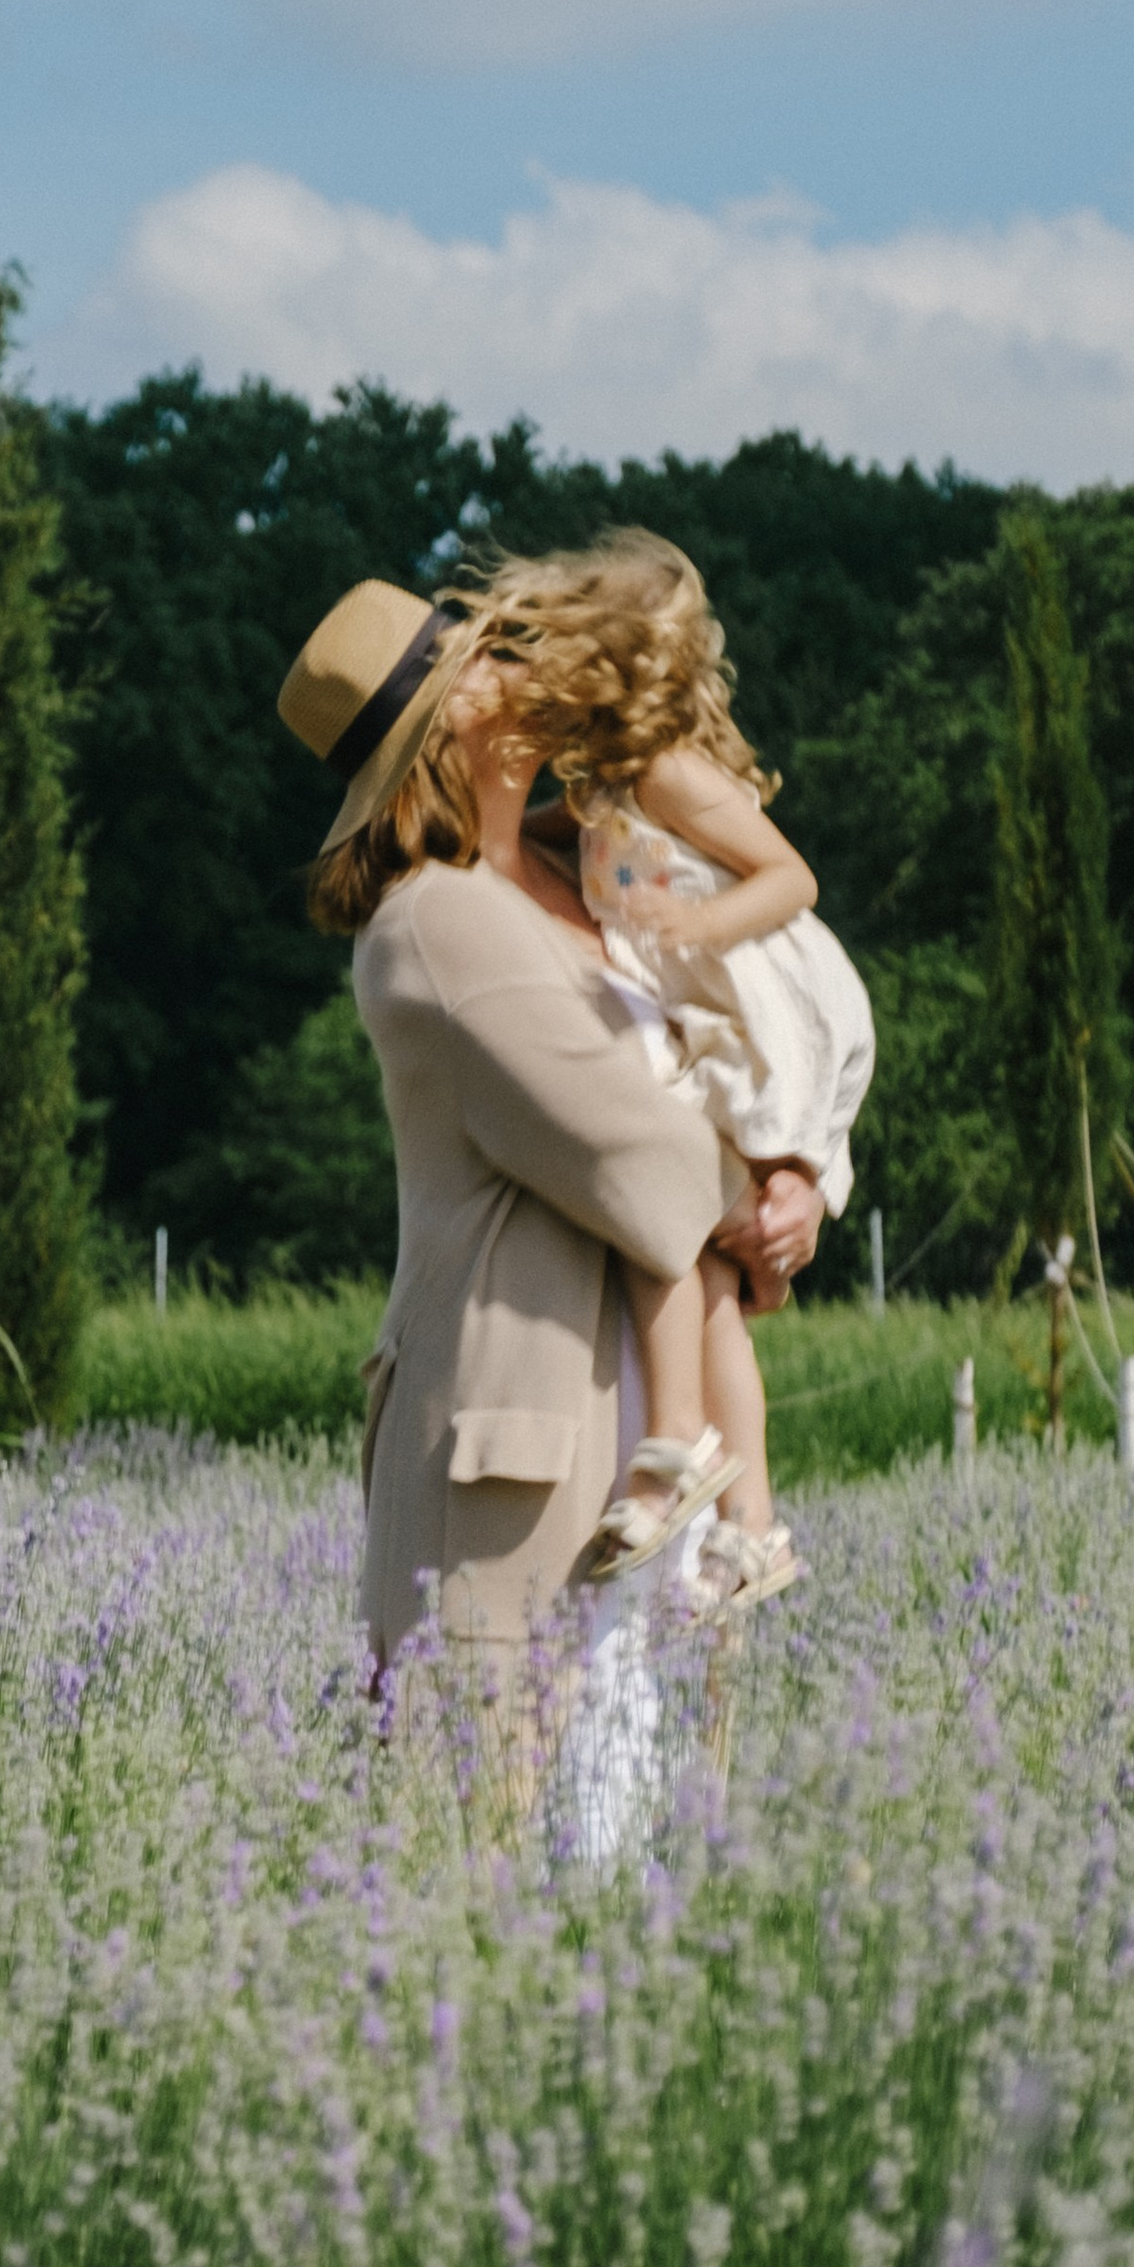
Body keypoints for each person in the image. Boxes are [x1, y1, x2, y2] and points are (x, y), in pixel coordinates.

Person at [275, 577, 823, 1696]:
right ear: (438, 741)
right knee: (507, 1840)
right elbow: (632, 1147)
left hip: (660, 1472)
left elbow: (761, 1011)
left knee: (659, 1852)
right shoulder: (433, 920)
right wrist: (752, 1209)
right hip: (529, 1470)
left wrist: (801, 1176)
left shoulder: (587, 862)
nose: (517, 673)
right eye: (481, 664)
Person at [463, 531, 874, 1610]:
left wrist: (695, 919)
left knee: (696, 1251)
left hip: (748, 1018)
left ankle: (682, 1455)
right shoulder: (604, 786)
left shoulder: (667, 773)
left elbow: (793, 876)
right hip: (696, 1021)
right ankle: (745, 1519)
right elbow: (571, 841)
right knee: (710, 1277)